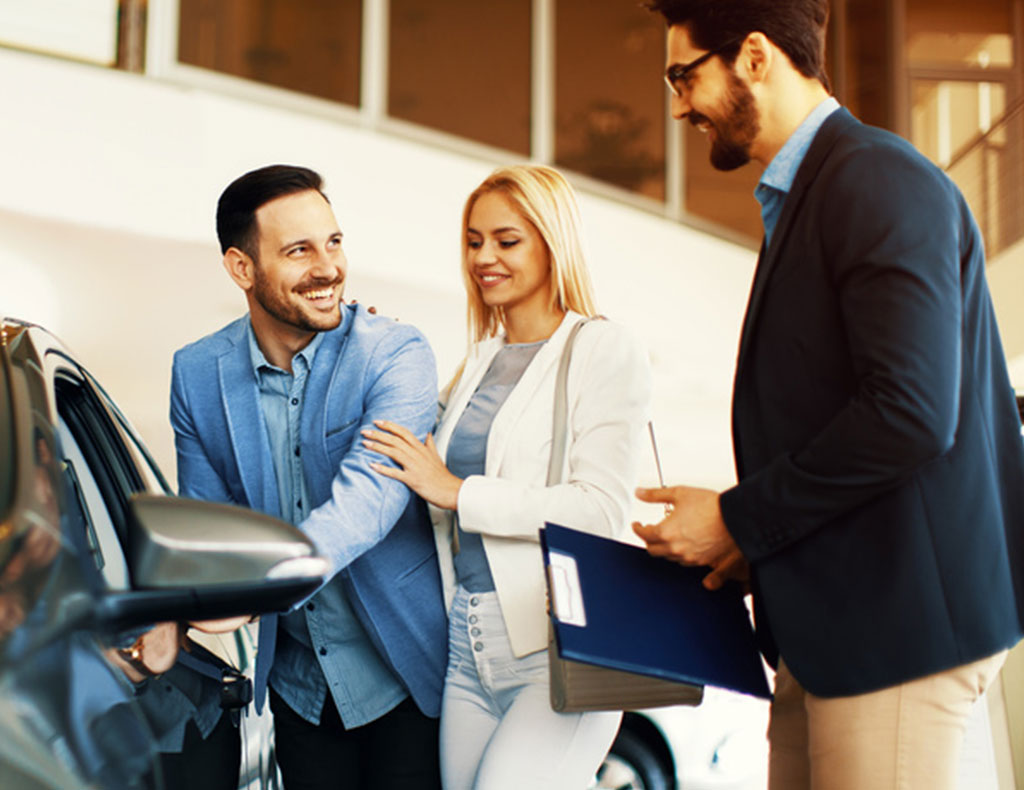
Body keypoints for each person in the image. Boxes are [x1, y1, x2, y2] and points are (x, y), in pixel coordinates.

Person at [633, 2, 1024, 788]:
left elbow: (910, 413)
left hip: (896, 630)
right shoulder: (818, 192)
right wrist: (747, 542)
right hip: (840, 627)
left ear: (753, 56)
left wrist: (737, 518)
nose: (678, 105)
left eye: (685, 76)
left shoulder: (876, 179)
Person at [364, 165, 651, 789]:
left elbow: (602, 509)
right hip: (468, 649)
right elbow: (419, 473)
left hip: (557, 646)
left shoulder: (603, 347)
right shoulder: (478, 363)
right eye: (473, 241)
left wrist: (459, 492)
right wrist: (364, 352)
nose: (484, 257)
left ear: (553, 243)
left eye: (506, 240)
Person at [166, 163, 448, 790]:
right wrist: (180, 605)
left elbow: (368, 500)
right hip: (299, 690)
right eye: (299, 251)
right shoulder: (196, 375)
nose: (328, 268)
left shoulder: (395, 354)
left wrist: (257, 590)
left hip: (407, 676)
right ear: (242, 268)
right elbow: (211, 530)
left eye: (334, 242)